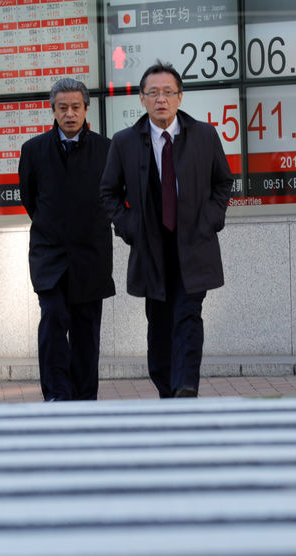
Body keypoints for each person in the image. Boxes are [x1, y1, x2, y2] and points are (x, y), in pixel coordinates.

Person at [100, 61, 233, 398]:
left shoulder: (204, 135)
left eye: (168, 92)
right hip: (152, 249)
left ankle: (185, 386)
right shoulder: (125, 142)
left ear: (180, 97)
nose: (161, 99)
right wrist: (130, 228)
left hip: (194, 245)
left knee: (188, 316)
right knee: (159, 324)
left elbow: (223, 181)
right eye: (153, 93)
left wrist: (211, 220)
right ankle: (166, 387)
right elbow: (108, 193)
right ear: (142, 99)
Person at [19, 78, 115, 401]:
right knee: (53, 321)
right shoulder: (33, 151)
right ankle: (57, 396)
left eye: (76, 107)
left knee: (87, 332)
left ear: (86, 109)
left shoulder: (106, 149)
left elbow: (115, 195)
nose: (70, 114)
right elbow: (30, 198)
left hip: (91, 256)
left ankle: (85, 399)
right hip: (50, 257)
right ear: (53, 110)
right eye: (63, 108)